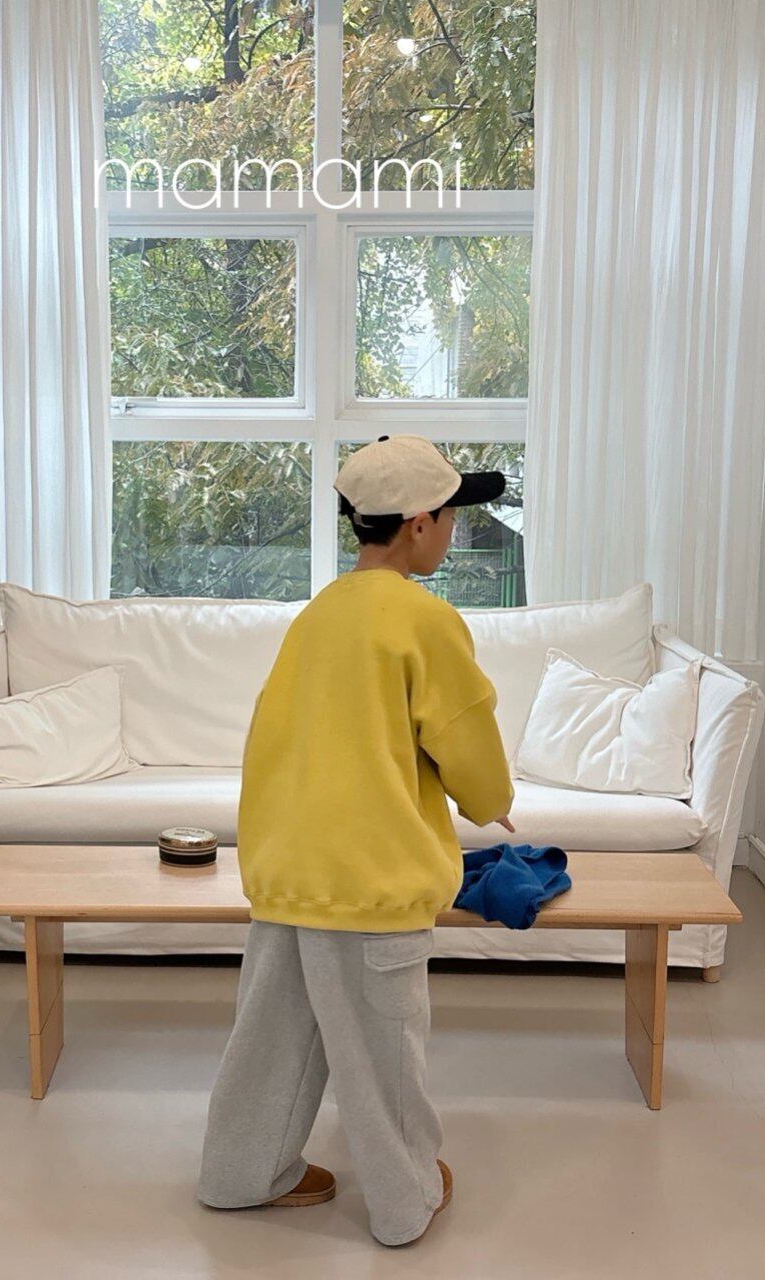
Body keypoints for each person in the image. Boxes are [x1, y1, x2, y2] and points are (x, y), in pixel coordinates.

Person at [197, 434, 516, 1247]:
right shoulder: (424, 620)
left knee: (270, 1041)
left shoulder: (318, 615)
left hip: (287, 871)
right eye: (451, 517)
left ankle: (239, 1175)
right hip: (371, 879)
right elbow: (465, 737)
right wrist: (492, 802)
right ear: (418, 523)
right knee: (383, 1057)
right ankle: (406, 1201)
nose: (455, 532)